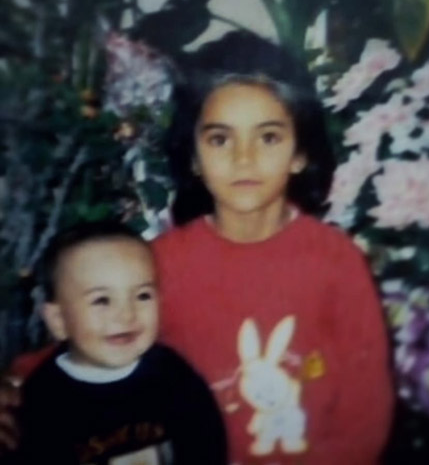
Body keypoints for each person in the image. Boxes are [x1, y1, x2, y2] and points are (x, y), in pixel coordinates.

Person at [0, 33, 393, 465]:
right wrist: (16, 381)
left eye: (268, 137)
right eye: (220, 139)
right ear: (192, 156)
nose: (244, 158)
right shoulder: (161, 263)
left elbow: (365, 415)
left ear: (300, 152)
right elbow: (91, 333)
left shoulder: (335, 261)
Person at [12, 221, 227, 465]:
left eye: (142, 296)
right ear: (59, 320)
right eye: (102, 300)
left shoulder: (173, 375)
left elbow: (207, 444)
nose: (126, 315)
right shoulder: (43, 400)